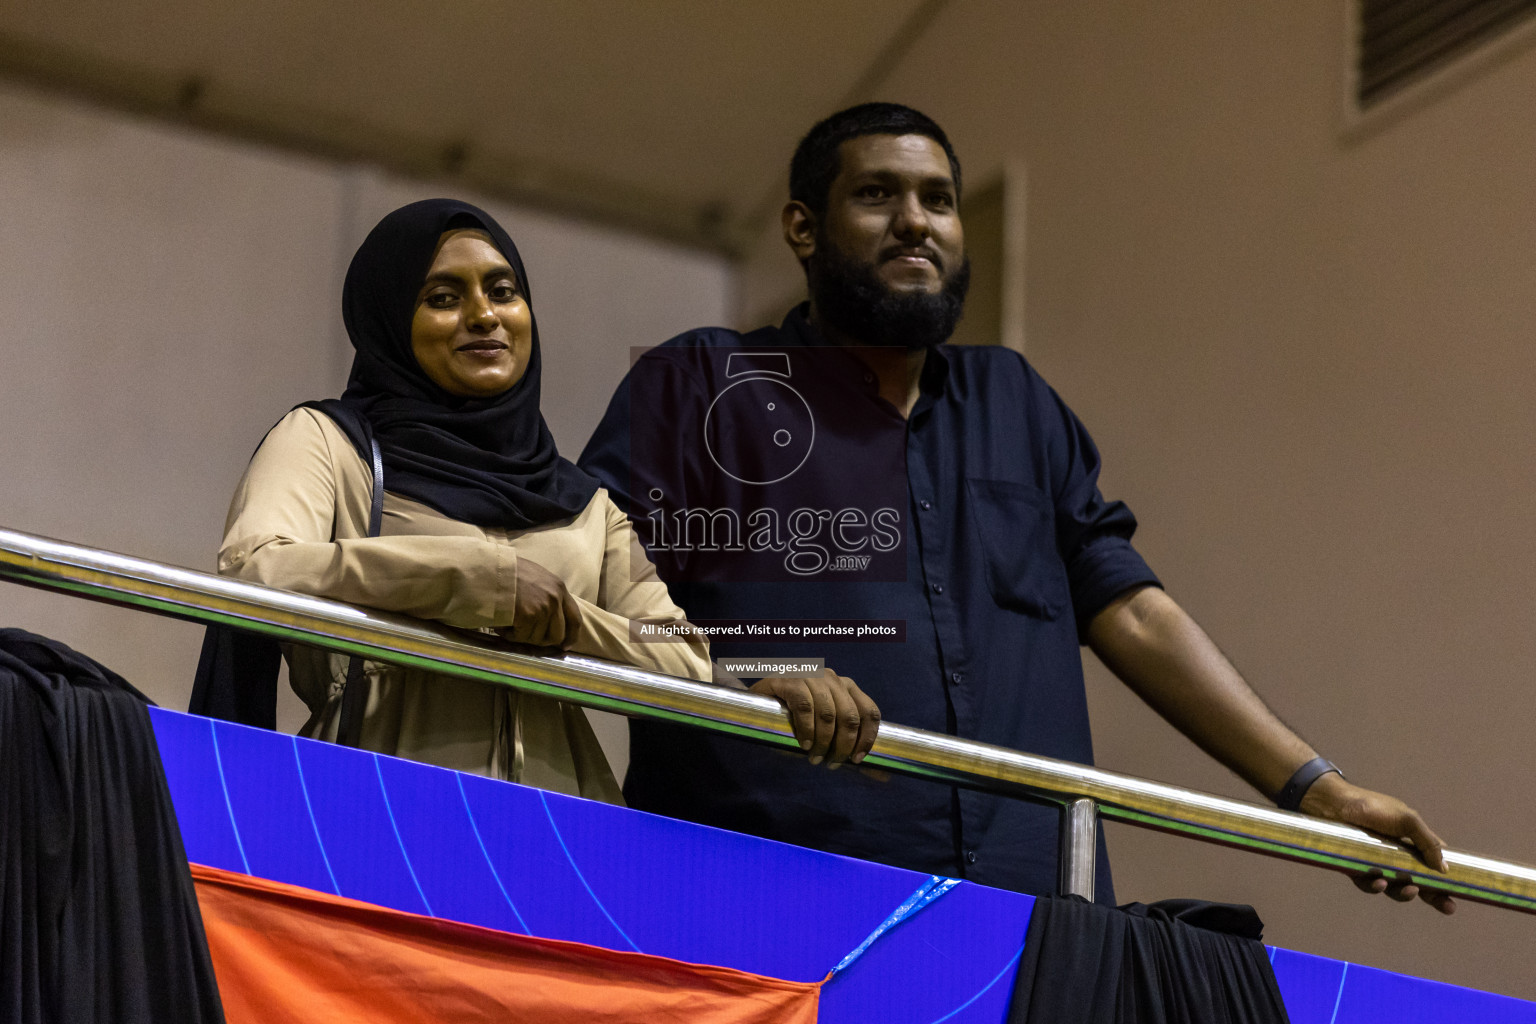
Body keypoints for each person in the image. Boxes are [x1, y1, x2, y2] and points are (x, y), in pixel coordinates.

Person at [579, 103, 1452, 909]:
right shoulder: (700, 383)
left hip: (1032, 910)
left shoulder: (1016, 402)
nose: (917, 221)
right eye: (879, 194)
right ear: (803, 228)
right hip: (765, 893)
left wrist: (1316, 790)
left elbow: (1132, 612)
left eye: (939, 199)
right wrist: (749, 674)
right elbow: (598, 586)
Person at [217, 198, 709, 803]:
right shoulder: (328, 442)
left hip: (563, 831)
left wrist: (565, 619)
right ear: (390, 322)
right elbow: (252, 574)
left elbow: (685, 664)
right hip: (373, 806)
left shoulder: (586, 503)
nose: (484, 315)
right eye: (443, 298)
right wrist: (471, 579)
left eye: (503, 291)